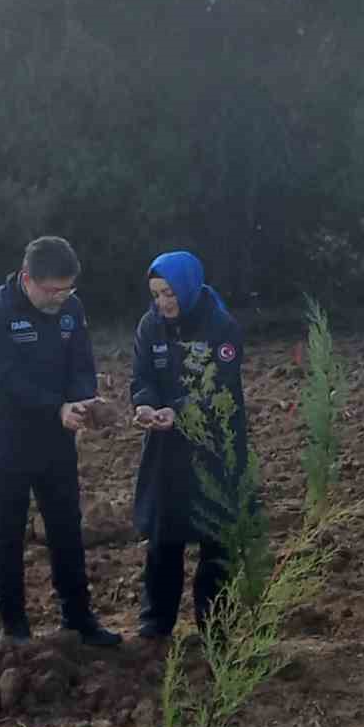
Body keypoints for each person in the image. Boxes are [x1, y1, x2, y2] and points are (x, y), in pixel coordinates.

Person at [0, 236, 122, 648]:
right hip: (9, 440)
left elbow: (81, 362)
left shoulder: (71, 309)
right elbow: (6, 380)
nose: (60, 298)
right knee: (8, 533)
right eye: (52, 290)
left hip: (57, 440)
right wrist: (57, 406)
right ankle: (15, 628)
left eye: (67, 289)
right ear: (26, 279)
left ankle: (79, 620)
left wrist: (83, 400)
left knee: (66, 527)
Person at [129, 250, 249, 641]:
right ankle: (155, 621)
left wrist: (177, 412)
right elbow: (142, 375)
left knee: (215, 539)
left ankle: (215, 625)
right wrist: (145, 403)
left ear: (188, 287)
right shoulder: (150, 326)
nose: (163, 303)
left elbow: (220, 389)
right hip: (165, 447)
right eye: (157, 294)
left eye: (169, 293)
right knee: (164, 535)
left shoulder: (221, 328)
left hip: (215, 446)